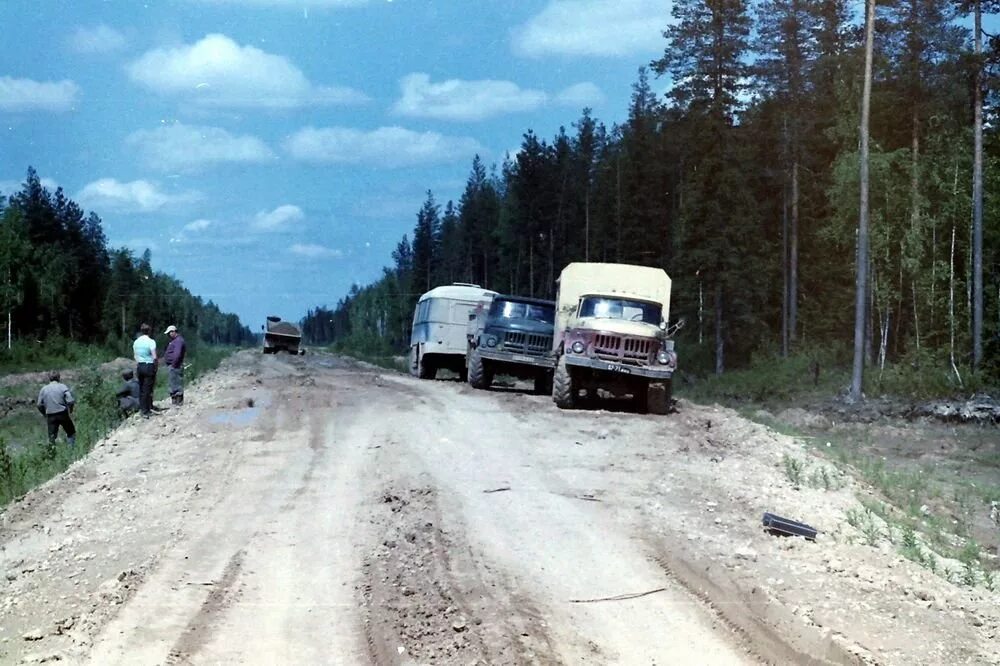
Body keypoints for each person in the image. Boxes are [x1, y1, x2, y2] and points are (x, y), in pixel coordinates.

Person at [36, 371, 76, 448]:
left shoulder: (44, 389)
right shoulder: (62, 387)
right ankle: (71, 449)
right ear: (59, 377)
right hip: (62, 413)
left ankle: (52, 452)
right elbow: (70, 400)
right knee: (71, 432)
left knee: (51, 436)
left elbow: (39, 404)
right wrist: (70, 410)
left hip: (50, 415)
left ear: (49, 378)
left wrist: (44, 413)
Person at [133, 323, 157, 418]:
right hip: (149, 365)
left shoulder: (136, 342)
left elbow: (135, 355)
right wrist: (156, 366)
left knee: (141, 388)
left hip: (140, 365)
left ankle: (142, 408)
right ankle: (146, 410)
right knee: (148, 388)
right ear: (149, 331)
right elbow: (154, 357)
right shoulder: (151, 342)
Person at [163, 324, 186, 406]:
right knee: (173, 383)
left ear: (173, 332)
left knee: (176, 384)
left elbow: (177, 354)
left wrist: (173, 364)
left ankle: (178, 402)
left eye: (169, 333)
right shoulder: (175, 341)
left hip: (175, 366)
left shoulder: (178, 341)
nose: (168, 335)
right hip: (174, 365)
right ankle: (175, 402)